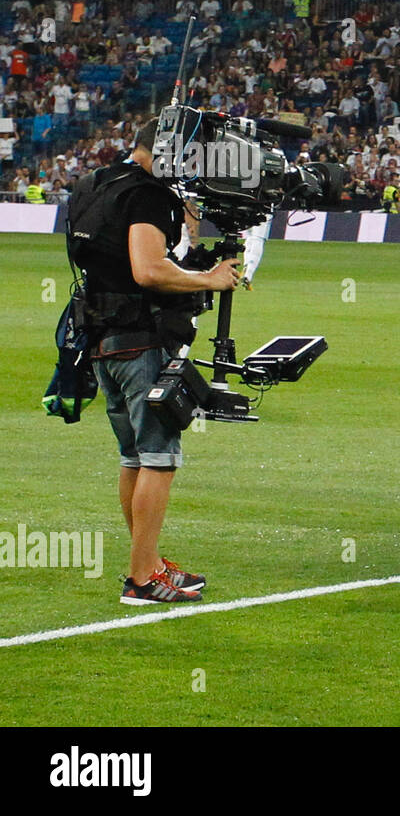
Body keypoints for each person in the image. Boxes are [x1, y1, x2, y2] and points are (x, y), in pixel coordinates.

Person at [66, 117, 241, 604]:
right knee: (159, 458)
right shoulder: (148, 195)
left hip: (99, 338)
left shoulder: (93, 183)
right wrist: (210, 279)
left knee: (134, 457)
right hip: (140, 340)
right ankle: (142, 578)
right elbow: (147, 269)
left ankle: (152, 563)